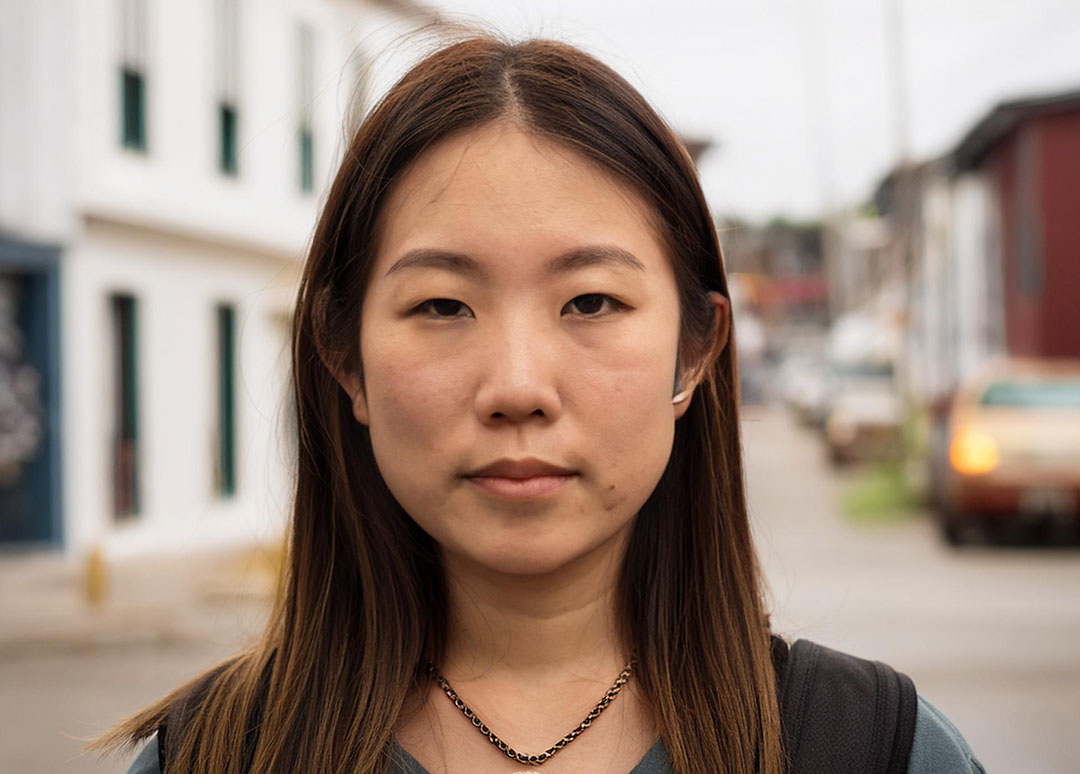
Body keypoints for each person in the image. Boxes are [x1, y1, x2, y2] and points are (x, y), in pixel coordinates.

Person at [94, 35, 985, 774]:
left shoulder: (875, 751)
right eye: (442, 305)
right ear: (346, 359)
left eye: (591, 303)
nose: (517, 387)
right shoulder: (207, 758)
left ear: (697, 350)